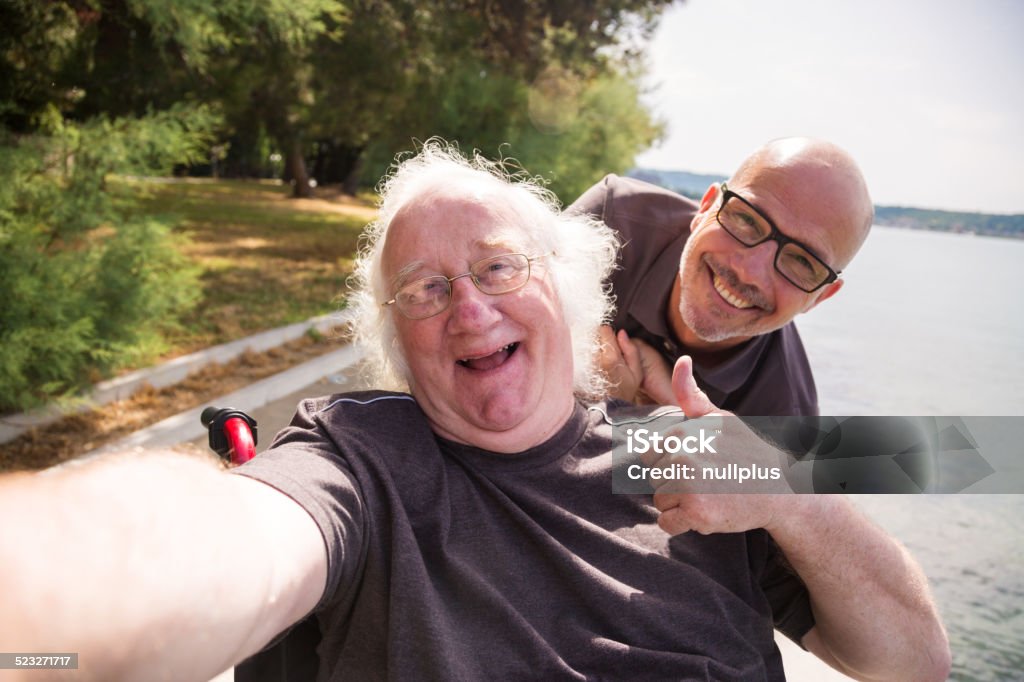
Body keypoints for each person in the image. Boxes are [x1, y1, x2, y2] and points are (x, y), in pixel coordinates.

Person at [0, 141, 949, 681]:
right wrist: (38, 606)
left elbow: (912, 662)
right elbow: (232, 546)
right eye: (423, 288)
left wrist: (779, 489)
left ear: (822, 297)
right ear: (707, 207)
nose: (472, 306)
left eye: (499, 267)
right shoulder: (360, 457)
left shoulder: (768, 428)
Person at [570, 138, 874, 416]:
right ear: (706, 207)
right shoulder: (609, 223)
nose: (749, 271)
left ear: (820, 296)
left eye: (801, 262)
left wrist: (624, 413)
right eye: (746, 219)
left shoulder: (783, 421)